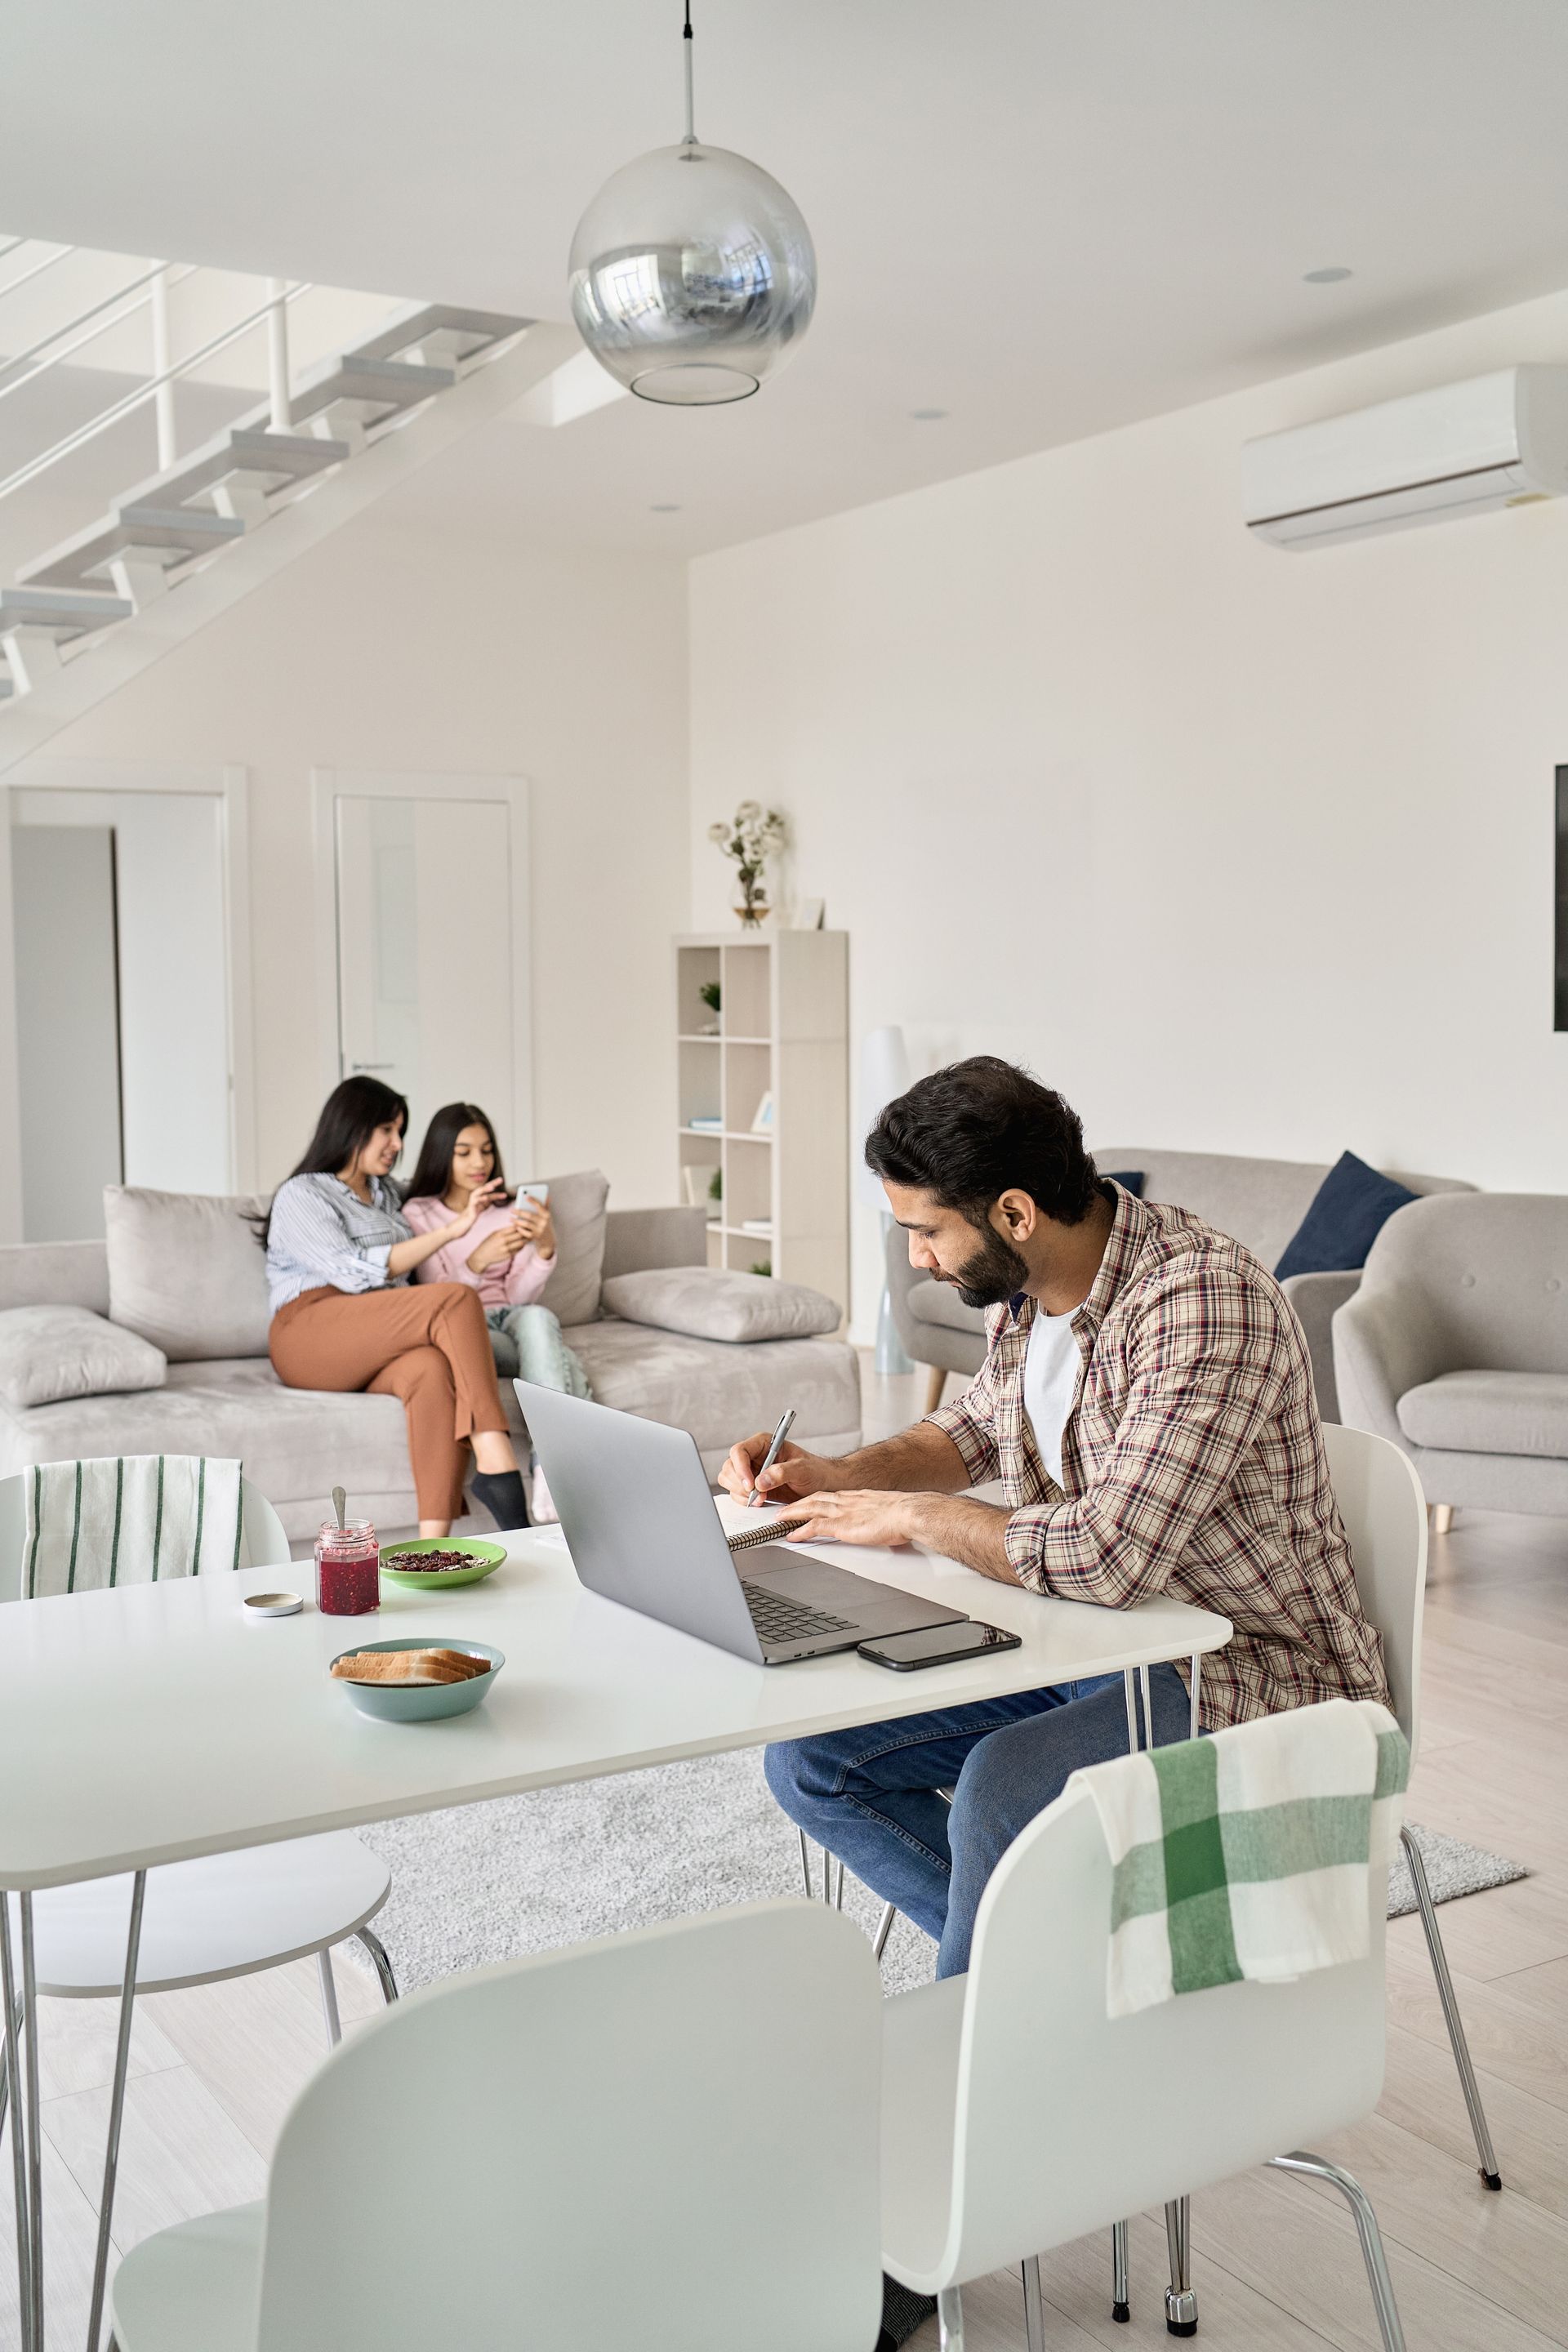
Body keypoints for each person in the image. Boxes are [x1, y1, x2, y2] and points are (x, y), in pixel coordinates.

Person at [719, 1057, 1391, 1980]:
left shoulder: (1200, 1303)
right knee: (813, 1761)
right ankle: (1038, 1989)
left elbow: (1106, 1556)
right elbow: (977, 1427)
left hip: (1236, 1671)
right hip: (1090, 1646)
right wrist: (837, 1475)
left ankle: (979, 2056)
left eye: (925, 1231)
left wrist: (915, 1517)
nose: (915, 1257)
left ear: (1015, 1214)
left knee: (999, 1792)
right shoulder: (1033, 1292)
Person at [263, 1075, 532, 1538]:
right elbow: (351, 1272)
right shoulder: (303, 1193)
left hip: (373, 1335)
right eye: (386, 1130)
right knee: (455, 1300)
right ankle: (494, 1453)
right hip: (310, 1331)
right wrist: (450, 1233)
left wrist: (503, 1209)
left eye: (400, 1132)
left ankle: (433, 1548)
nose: (396, 1143)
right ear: (351, 1126)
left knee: (429, 1369)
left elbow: (443, 1182)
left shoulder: (388, 1194)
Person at [402, 1103, 590, 1518]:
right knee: (566, 1364)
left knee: (539, 1318)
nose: (479, 1163)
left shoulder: (508, 1208)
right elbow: (436, 1298)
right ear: (441, 1154)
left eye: (486, 1151)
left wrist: (543, 1248)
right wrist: (477, 1262)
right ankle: (560, 1472)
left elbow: (518, 1296)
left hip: (511, 1319)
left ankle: (547, 1467)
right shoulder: (419, 1213)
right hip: (462, 1327)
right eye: (464, 1152)